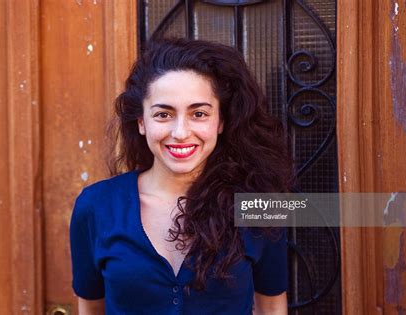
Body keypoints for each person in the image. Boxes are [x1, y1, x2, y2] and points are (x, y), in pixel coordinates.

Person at [70, 37, 294, 315]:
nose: (180, 132)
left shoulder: (261, 205)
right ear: (141, 122)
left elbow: (272, 307)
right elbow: (91, 307)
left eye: (199, 113)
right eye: (163, 114)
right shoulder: (96, 206)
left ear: (221, 122)